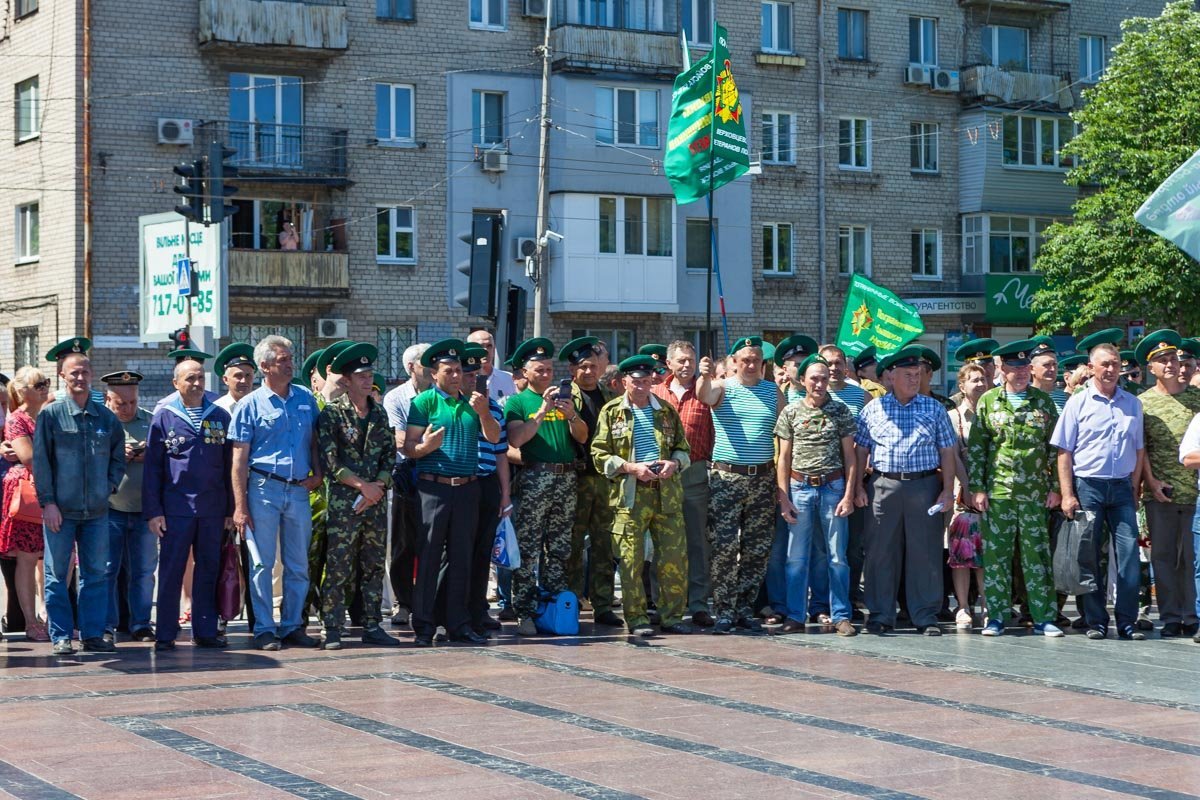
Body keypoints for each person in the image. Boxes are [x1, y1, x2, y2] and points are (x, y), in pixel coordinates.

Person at [229, 335, 323, 651]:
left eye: (290, 357)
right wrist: (240, 507)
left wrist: (318, 474)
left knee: (298, 563)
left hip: (297, 491)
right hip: (262, 489)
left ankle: (293, 625)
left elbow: (313, 442)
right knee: (261, 563)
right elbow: (239, 460)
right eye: (283, 359)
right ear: (265, 366)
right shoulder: (248, 405)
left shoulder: (305, 399)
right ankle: (265, 628)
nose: (290, 363)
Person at [854, 346, 956, 636]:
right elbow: (861, 451)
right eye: (908, 375)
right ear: (890, 377)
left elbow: (948, 451)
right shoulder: (872, 409)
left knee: (925, 552)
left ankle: (925, 615)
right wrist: (859, 487)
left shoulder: (933, 408)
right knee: (880, 552)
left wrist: (947, 490)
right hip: (883, 486)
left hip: (924, 486)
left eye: (918, 374)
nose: (915, 379)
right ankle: (880, 614)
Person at [405, 339, 499, 646]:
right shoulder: (424, 403)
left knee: (462, 558)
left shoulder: (473, 401)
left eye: (459, 370)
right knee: (430, 555)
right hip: (434, 488)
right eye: (449, 371)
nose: (457, 376)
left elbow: (495, 438)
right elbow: (409, 448)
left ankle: (459, 623)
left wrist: (484, 413)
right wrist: (426, 447)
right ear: (434, 374)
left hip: (468, 488)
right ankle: (423, 625)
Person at [591, 355, 693, 636]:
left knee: (673, 556)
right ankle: (636, 618)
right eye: (635, 382)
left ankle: (672, 616)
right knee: (631, 559)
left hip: (666, 494)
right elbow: (599, 454)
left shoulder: (666, 411)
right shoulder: (612, 412)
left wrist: (674, 463)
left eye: (646, 381)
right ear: (624, 382)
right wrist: (630, 468)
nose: (641, 387)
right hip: (631, 495)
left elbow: (683, 449)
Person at [967, 341, 1063, 637]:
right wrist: (978, 488)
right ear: (1002, 369)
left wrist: (1056, 487)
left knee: (1037, 556)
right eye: (1014, 367)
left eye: (1024, 367)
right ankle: (996, 616)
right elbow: (977, 448)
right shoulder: (988, 401)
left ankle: (1043, 617)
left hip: (1035, 493)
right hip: (999, 493)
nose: (1021, 373)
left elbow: (1054, 449)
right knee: (997, 557)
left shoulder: (1043, 402)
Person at [1052, 341, 1146, 641]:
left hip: (1121, 487)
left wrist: (1135, 485)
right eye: (1104, 364)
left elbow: (1139, 449)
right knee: (1087, 556)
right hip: (1088, 485)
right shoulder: (1078, 402)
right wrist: (1068, 494)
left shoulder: (1132, 403)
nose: (1110, 369)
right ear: (1090, 368)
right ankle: (1096, 620)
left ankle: (1127, 620)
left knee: (1130, 553)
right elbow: (1064, 452)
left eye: (1115, 364)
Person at [33, 352, 126, 654]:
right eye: (74, 372)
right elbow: (41, 463)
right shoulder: (51, 415)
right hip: (61, 510)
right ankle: (61, 635)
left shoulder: (106, 417)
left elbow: (118, 457)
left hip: (97, 511)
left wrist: (109, 485)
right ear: (62, 375)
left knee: (96, 574)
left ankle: (92, 634)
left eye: (85, 371)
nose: (80, 377)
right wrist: (47, 502)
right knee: (57, 575)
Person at [143, 359, 233, 651]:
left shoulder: (219, 415)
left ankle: (205, 630)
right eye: (190, 379)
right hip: (176, 508)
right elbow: (153, 469)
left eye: (200, 378)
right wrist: (154, 511)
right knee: (171, 570)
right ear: (176, 384)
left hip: (212, 508)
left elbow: (230, 466)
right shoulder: (163, 417)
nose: (196, 384)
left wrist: (231, 510)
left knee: (209, 568)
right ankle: (166, 633)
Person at [696, 336, 782, 634]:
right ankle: (723, 609)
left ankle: (745, 607)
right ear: (734, 362)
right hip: (727, 477)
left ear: (762, 363)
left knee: (757, 547)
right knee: (724, 545)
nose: (749, 364)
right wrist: (705, 374)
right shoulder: (723, 387)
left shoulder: (773, 392)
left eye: (755, 360)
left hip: (762, 477)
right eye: (744, 359)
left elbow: (784, 432)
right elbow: (703, 395)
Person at [316, 343, 399, 649]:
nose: (367, 380)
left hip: (375, 502)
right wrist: (362, 486)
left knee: (374, 564)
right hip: (344, 502)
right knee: (339, 565)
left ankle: (373, 624)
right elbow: (330, 461)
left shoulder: (379, 413)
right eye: (360, 375)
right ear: (346, 380)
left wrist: (378, 485)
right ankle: (333, 627)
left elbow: (390, 456)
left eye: (369, 374)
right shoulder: (332, 415)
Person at [504, 337, 587, 636]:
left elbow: (581, 437)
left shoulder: (567, 399)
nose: (546, 374)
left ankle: (552, 605)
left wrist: (571, 415)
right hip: (534, 477)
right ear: (525, 373)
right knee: (528, 547)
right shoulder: (518, 402)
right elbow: (516, 440)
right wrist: (541, 411)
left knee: (559, 547)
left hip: (565, 477)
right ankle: (524, 610)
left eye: (550, 369)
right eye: (539, 370)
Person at [774, 353, 858, 636]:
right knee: (795, 557)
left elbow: (851, 457)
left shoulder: (841, 411)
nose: (820, 384)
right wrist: (783, 497)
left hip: (833, 488)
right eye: (814, 378)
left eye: (824, 378)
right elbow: (783, 458)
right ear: (803, 380)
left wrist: (848, 495)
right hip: (799, 488)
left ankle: (841, 615)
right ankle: (795, 615)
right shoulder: (791, 412)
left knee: (836, 556)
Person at [1134, 330, 1199, 637]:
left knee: (1191, 556)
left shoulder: (1196, 399)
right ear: (1151, 368)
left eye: (1173, 358)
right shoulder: (1142, 403)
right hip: (1160, 492)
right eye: (1163, 360)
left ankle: (1192, 614)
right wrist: (1150, 481)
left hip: (1195, 492)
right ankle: (1171, 616)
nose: (1171, 364)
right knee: (1162, 556)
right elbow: (1140, 447)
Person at [652, 340, 715, 627]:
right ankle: (659, 602)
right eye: (681, 361)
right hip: (660, 475)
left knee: (697, 541)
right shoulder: (655, 393)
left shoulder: (704, 393)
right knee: (661, 541)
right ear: (669, 364)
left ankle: (699, 603)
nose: (686, 365)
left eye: (690, 360)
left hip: (695, 473)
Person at [560, 336, 620, 627]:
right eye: (582, 367)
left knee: (604, 544)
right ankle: (570, 599)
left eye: (593, 366)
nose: (588, 372)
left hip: (604, 480)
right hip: (575, 478)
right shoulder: (564, 396)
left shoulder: (609, 396)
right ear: (573, 370)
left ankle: (603, 603)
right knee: (571, 544)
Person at [100, 371, 157, 643]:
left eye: (132, 402)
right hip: (110, 508)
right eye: (121, 403)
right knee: (107, 569)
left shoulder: (150, 421)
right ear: (108, 399)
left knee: (143, 572)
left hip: (144, 510)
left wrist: (149, 455)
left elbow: (166, 460)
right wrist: (114, 455)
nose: (128, 408)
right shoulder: (100, 422)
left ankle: (141, 624)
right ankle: (108, 625)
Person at [460, 345, 510, 636]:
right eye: (466, 375)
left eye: (476, 375)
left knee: (482, 552)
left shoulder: (492, 408)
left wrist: (504, 493)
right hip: (463, 483)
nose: (471, 380)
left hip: (487, 482)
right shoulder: (452, 404)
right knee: (459, 551)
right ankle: (458, 609)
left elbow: (500, 450)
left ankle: (478, 609)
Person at [0, 367, 51, 642]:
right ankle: (31, 622)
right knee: (28, 559)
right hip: (28, 495)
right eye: (38, 384)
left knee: (61, 561)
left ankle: (53, 618)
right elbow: (28, 457)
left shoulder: (53, 413)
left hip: (56, 492)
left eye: (46, 382)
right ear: (22, 391)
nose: (44, 387)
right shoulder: (17, 419)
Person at [383, 342, 430, 627]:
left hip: (438, 473)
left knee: (433, 542)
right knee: (403, 543)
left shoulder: (443, 395)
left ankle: (428, 601)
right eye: (427, 362)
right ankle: (403, 603)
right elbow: (399, 439)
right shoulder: (395, 397)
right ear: (412, 366)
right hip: (407, 475)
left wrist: (422, 443)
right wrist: (431, 443)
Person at [947, 363, 988, 629]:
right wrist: (969, 486)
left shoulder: (993, 412)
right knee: (962, 556)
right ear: (962, 386)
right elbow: (952, 455)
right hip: (962, 496)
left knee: (986, 555)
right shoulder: (953, 417)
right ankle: (962, 607)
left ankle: (987, 604)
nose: (980, 384)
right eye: (974, 380)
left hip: (990, 494)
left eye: (983, 379)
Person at [467, 328, 517, 405]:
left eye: (489, 346)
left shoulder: (509, 379)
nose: (485, 350)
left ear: (494, 349)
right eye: (480, 346)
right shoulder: (463, 381)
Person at [1029, 337, 1069, 413]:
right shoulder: (1023, 397)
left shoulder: (1067, 398)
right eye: (1046, 365)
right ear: (1032, 369)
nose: (1052, 369)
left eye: (1054, 364)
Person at [213, 343, 257, 413]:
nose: (243, 381)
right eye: (238, 376)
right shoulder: (216, 409)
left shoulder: (263, 407)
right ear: (225, 380)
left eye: (248, 375)